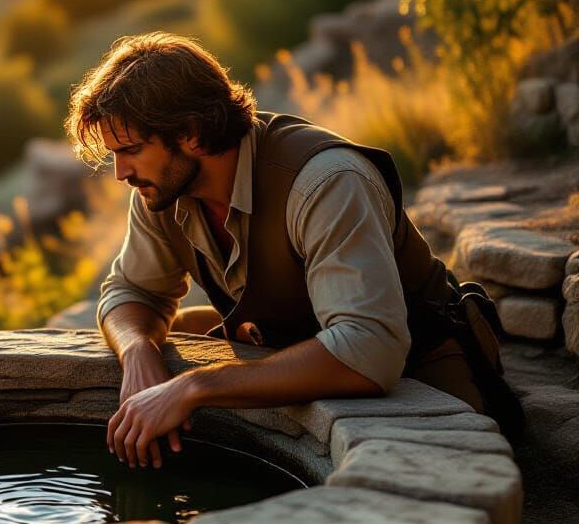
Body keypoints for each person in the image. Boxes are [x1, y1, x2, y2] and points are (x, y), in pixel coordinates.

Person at [64, 32, 517, 471]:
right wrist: (139, 354)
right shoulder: (160, 188)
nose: (121, 172)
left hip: (417, 362)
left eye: (132, 150)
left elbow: (369, 349)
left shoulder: (326, 181)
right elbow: (130, 292)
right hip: (291, 340)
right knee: (174, 336)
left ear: (191, 133)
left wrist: (193, 387)